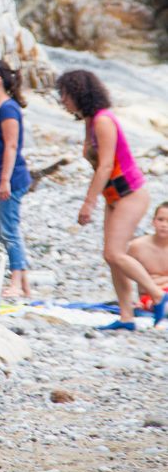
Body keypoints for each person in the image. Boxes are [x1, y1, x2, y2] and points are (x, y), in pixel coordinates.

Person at [57, 69, 168, 329]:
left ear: (79, 93)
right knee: (111, 255)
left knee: (114, 253)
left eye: (65, 94)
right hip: (113, 196)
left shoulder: (103, 121)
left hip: (130, 194)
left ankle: (158, 295)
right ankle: (126, 316)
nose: (62, 100)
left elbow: (105, 166)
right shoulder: (89, 121)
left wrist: (88, 203)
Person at [0, 59, 31, 299]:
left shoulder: (8, 109)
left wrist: (5, 180)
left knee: (10, 231)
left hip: (10, 177)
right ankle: (25, 283)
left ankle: (17, 283)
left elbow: (11, 146)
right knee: (2, 232)